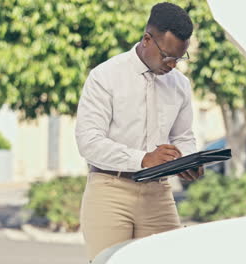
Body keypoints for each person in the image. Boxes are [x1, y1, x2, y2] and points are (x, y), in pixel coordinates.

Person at [75, 2, 203, 261]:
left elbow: (183, 137)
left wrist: (188, 159)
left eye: (179, 58)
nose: (173, 65)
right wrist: (143, 159)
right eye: (168, 56)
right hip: (110, 190)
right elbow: (88, 141)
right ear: (147, 39)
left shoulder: (180, 84)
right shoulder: (105, 76)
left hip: (159, 193)